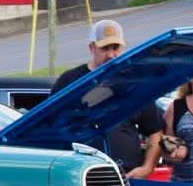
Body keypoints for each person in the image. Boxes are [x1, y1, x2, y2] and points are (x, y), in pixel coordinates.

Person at [54, 19, 169, 177]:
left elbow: (155, 131)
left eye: (115, 48)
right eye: (105, 48)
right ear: (92, 48)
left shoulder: (134, 83)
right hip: (81, 176)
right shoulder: (70, 81)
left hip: (127, 177)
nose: (111, 54)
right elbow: (51, 129)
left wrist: (147, 168)